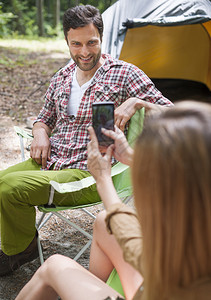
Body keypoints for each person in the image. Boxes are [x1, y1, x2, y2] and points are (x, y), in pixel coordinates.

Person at [0, 4, 172, 276]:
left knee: (9, 188)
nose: (84, 52)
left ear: (102, 38)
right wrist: (41, 132)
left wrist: (137, 102)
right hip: (52, 162)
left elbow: (173, 111)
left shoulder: (124, 73)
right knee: (2, 184)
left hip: (88, 173)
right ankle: (23, 241)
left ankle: (20, 249)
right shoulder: (63, 76)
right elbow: (44, 117)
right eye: (76, 44)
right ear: (67, 42)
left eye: (91, 43)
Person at [15, 100, 211, 299]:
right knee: (104, 222)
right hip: (156, 283)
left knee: (55, 265)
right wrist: (130, 157)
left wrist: (103, 180)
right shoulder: (197, 224)